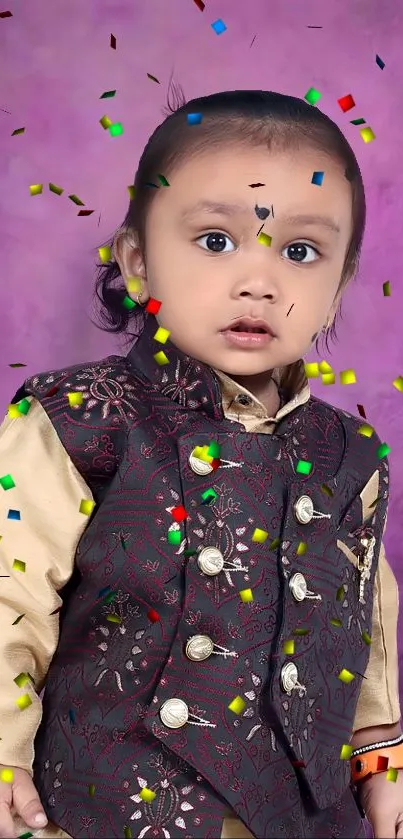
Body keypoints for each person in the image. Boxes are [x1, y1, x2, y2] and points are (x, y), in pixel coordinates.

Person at [0, 85, 402, 839]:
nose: (258, 280)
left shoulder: (350, 453)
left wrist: (380, 760)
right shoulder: (78, 416)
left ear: (338, 285)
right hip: (108, 808)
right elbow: (6, 590)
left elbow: (362, 625)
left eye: (300, 251)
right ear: (138, 262)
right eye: (215, 241)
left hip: (297, 815)